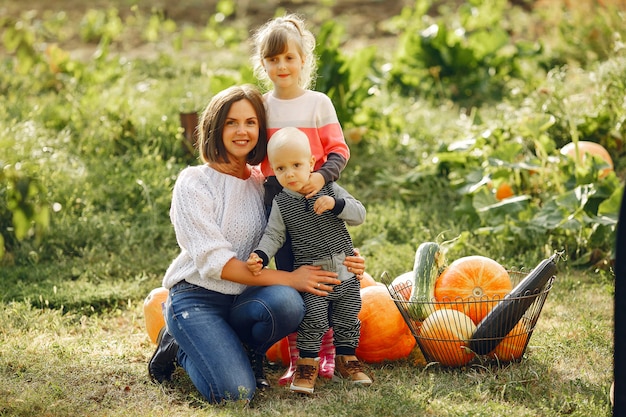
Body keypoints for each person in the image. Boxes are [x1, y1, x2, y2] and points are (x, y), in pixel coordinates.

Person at [147, 84, 366, 404]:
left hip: (243, 300)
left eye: (250, 122)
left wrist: (345, 258)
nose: (242, 131)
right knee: (235, 395)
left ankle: (247, 348)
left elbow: (302, 231)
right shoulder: (193, 182)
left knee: (289, 302)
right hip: (197, 298)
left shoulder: (265, 184)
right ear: (214, 127)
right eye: (232, 122)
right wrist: (291, 278)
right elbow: (216, 264)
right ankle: (178, 346)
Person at [250, 12, 351, 384]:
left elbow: (339, 151)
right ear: (263, 64)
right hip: (279, 205)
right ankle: (298, 357)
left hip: (317, 202)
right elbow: (256, 156)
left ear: (303, 60)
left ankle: (324, 353)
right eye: (273, 59)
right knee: (292, 276)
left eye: (289, 58)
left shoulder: (317, 103)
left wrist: (321, 178)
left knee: (323, 276)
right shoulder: (262, 106)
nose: (281, 66)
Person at [246, 127, 372, 394]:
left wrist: (335, 204)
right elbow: (274, 235)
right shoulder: (281, 203)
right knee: (312, 318)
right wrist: (261, 255)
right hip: (313, 274)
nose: (289, 173)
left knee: (348, 316)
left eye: (296, 165)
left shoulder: (330, 188)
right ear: (273, 171)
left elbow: (359, 214)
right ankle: (306, 364)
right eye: (280, 169)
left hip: (345, 271)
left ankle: (346, 359)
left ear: (312, 163)